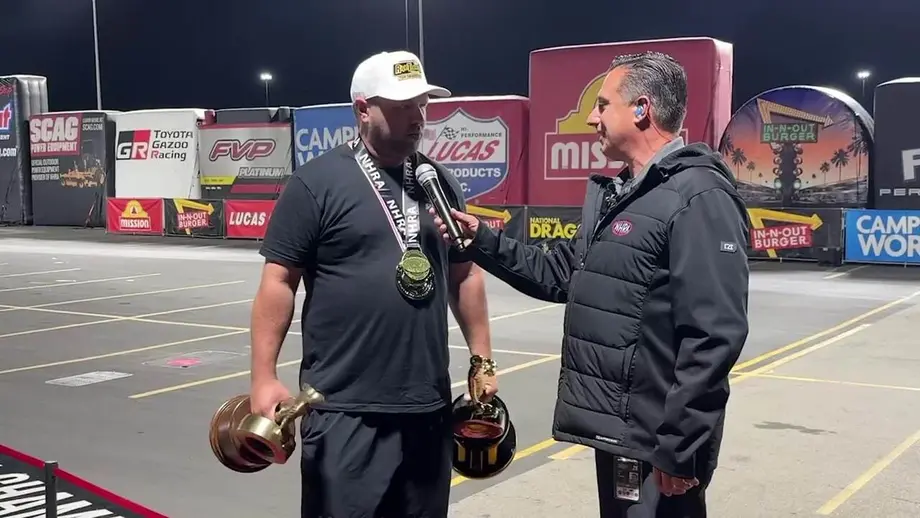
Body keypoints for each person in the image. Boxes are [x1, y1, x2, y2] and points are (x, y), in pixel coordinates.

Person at [431, 51, 750, 517]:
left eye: (602, 105)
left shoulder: (699, 196)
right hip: (621, 435)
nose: (591, 118)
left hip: (659, 445)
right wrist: (482, 239)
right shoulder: (624, 194)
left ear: (641, 109)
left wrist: (680, 446)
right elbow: (559, 273)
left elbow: (714, 335)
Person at [248, 50, 497, 518]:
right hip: (344, 409)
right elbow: (278, 282)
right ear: (363, 109)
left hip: (427, 409)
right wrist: (264, 377)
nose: (418, 117)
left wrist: (481, 359)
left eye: (422, 104)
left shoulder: (439, 182)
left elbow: (465, 274)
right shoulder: (315, 183)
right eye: (403, 107)